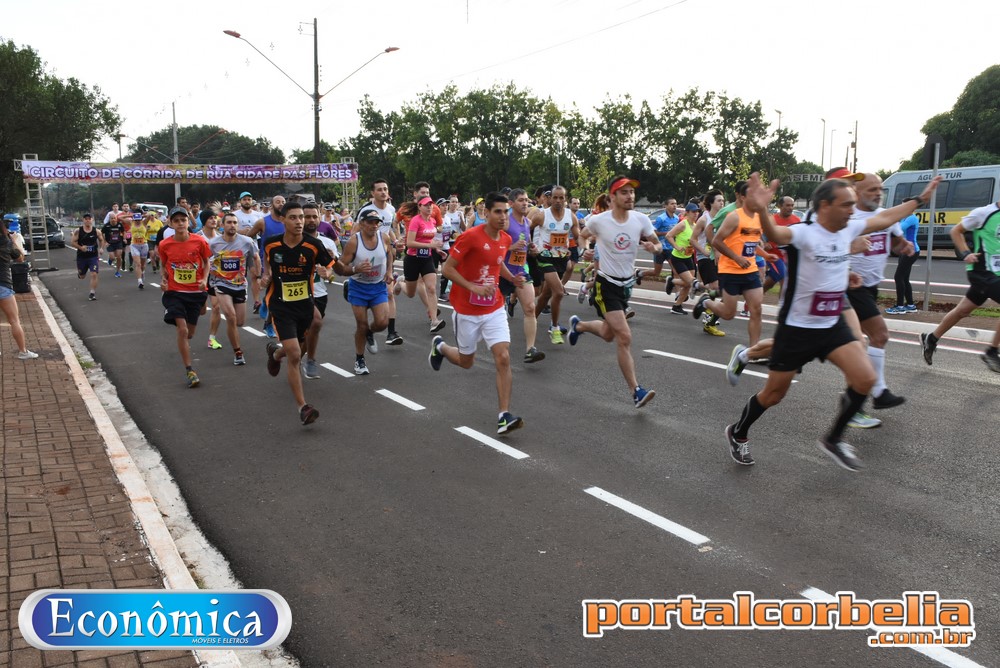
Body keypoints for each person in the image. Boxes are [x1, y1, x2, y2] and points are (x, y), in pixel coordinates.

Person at [723, 172, 940, 470]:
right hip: (798, 329)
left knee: (865, 379)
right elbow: (775, 235)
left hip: (831, 325)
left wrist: (920, 199)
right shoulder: (805, 233)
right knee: (773, 395)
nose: (853, 210)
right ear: (825, 205)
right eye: (846, 204)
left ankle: (833, 439)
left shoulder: (848, 229)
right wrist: (760, 209)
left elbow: (886, 218)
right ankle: (738, 432)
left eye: (853, 204)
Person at [429, 192, 524, 434]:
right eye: (498, 212)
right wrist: (473, 287)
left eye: (506, 212)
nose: (503, 217)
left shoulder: (504, 239)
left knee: (503, 356)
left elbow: (497, 261)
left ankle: (504, 415)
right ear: (487, 213)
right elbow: (447, 269)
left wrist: (511, 277)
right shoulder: (470, 237)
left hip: (494, 308)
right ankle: (439, 347)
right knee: (466, 362)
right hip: (466, 309)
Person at [568, 176, 661, 408]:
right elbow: (582, 235)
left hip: (626, 285)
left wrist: (654, 247)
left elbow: (658, 243)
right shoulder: (600, 221)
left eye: (632, 192)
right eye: (624, 193)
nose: (630, 196)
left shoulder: (640, 219)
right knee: (624, 336)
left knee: (609, 334)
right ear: (612, 197)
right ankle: (636, 391)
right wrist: (585, 251)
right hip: (605, 284)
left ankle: (578, 326)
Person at [261, 201, 335, 425]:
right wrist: (266, 276)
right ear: (283, 220)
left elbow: (330, 268)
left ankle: (275, 354)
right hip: (280, 305)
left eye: (301, 217)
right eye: (293, 217)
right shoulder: (271, 244)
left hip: (305, 305)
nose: (299, 222)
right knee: (294, 354)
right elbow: (267, 265)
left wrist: (327, 272)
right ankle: (303, 407)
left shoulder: (313, 245)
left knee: (296, 348)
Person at [844, 173, 913, 410]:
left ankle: (748, 355)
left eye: (880, 189)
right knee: (879, 335)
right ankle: (877, 392)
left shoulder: (885, 216)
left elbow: (895, 242)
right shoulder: (849, 216)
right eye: (872, 189)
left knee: (850, 344)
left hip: (870, 286)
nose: (877, 193)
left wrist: (903, 246)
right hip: (850, 285)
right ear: (857, 191)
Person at [920, 197, 1000, 373]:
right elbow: (956, 231)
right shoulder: (983, 213)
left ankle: (931, 339)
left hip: (997, 275)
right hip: (982, 272)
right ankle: (992, 351)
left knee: (962, 311)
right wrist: (965, 253)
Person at [692, 181, 768, 347]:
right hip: (731, 269)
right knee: (728, 313)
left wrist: (766, 254)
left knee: (757, 309)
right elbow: (714, 236)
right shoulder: (731, 215)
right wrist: (730, 256)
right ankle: (706, 301)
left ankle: (753, 350)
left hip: (751, 270)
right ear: (742, 197)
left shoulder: (757, 217)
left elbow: (751, 242)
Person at [157, 206, 213, 388]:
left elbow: (206, 263)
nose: (180, 223)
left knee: (189, 333)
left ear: (188, 222)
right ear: (170, 223)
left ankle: (201, 307)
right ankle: (190, 370)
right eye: (176, 221)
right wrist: (163, 279)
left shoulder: (199, 242)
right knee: (182, 330)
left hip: (196, 292)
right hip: (174, 292)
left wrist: (204, 279)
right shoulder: (165, 244)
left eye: (183, 220)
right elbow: (164, 266)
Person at [339, 209, 392, 375]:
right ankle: (359, 359)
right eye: (370, 222)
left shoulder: (384, 237)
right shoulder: (354, 242)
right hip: (358, 287)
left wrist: (389, 271)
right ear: (361, 223)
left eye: (377, 222)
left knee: (383, 322)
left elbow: (390, 253)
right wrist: (356, 268)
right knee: (361, 325)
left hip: (377, 287)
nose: (374, 225)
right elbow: (340, 268)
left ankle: (370, 332)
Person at [206, 211, 260, 365]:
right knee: (230, 316)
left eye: (235, 223)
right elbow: (205, 260)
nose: (232, 225)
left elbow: (255, 258)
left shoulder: (247, 242)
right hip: (221, 284)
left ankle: (232, 333)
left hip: (240, 285)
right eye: (229, 222)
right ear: (222, 225)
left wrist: (258, 273)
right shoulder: (213, 243)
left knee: (240, 322)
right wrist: (205, 275)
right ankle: (238, 352)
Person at [357, 178, 404, 345]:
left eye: (385, 189)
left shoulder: (391, 209)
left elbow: (389, 230)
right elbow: (355, 232)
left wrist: (396, 241)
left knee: (389, 293)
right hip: (366, 257)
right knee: (368, 294)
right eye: (379, 189)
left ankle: (391, 332)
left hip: (384, 256)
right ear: (373, 193)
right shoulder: (366, 210)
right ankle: (352, 287)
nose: (383, 192)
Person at [501, 188, 545, 363]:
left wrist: (532, 249)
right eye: (521, 200)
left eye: (526, 200)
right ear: (511, 203)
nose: (525, 203)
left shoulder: (527, 222)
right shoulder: (504, 222)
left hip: (520, 270)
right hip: (502, 272)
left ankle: (530, 349)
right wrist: (510, 247)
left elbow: (525, 245)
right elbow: (493, 244)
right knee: (490, 313)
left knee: (529, 308)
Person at [532, 185, 579, 344]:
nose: (558, 201)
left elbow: (579, 236)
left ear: (565, 199)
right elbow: (525, 229)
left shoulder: (571, 216)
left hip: (561, 259)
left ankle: (532, 320)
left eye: (561, 198)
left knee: (546, 294)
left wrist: (585, 246)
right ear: (550, 198)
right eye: (555, 197)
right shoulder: (542, 215)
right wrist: (530, 246)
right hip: (544, 258)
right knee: (558, 292)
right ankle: (554, 327)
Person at [299, 202, 340, 379]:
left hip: (319, 293)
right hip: (297, 294)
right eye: (306, 216)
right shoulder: (293, 240)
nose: (311, 220)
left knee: (310, 331)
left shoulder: (327, 242)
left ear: (319, 218)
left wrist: (327, 272)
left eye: (314, 216)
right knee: (313, 325)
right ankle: (310, 360)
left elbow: (332, 270)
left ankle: (288, 358)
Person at [403, 196, 446, 332]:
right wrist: (431, 245)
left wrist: (437, 249)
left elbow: (429, 241)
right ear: (420, 207)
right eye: (426, 205)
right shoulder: (416, 221)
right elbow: (409, 243)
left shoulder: (432, 221)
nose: (429, 207)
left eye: (431, 205)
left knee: (432, 289)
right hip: (412, 259)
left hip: (426, 258)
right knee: (410, 293)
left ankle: (434, 321)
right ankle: (399, 283)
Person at [0, 217, 38, 360]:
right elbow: (20, 258)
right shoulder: (7, 243)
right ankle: (23, 351)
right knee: (14, 320)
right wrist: (14, 239)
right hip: (3, 284)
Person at [663, 203, 708, 315]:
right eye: (693, 212)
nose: (696, 214)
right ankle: (671, 281)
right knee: (691, 282)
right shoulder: (683, 224)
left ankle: (676, 306)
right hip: (677, 258)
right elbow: (668, 235)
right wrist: (677, 247)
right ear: (687, 213)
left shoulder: (696, 225)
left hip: (689, 258)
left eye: (697, 212)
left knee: (688, 284)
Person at [636, 198, 678, 285]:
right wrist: (667, 233)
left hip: (670, 248)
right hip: (660, 248)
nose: (674, 206)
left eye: (675, 204)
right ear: (666, 206)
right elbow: (653, 233)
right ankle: (639, 274)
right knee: (656, 272)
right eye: (672, 204)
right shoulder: (661, 219)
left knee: (675, 270)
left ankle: (675, 289)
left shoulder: (676, 218)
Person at [887, 211, 920, 314]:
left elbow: (899, 229)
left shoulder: (911, 218)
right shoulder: (904, 217)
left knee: (898, 277)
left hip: (911, 251)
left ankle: (900, 306)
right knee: (904, 278)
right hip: (905, 251)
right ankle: (910, 305)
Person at [71, 213, 105, 301]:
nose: (87, 220)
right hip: (81, 257)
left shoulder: (96, 231)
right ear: (83, 220)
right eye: (86, 219)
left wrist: (101, 248)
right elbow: (73, 242)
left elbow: (101, 240)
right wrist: (81, 248)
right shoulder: (78, 231)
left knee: (94, 274)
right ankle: (80, 273)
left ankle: (92, 293)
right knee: (82, 276)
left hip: (93, 256)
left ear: (92, 220)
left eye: (89, 219)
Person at [129, 211, 150, 289]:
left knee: (143, 264)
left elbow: (149, 215)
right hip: (134, 245)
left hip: (144, 245)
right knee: (138, 264)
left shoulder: (144, 223)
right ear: (133, 220)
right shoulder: (131, 223)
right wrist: (130, 215)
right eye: (136, 220)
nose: (137, 221)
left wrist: (143, 215)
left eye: (139, 219)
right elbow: (120, 218)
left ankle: (142, 272)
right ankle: (139, 281)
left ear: (141, 219)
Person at [101, 212, 126, 277]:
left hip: (118, 242)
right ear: (109, 219)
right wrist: (105, 241)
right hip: (110, 243)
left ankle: (117, 272)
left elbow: (123, 232)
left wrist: (124, 239)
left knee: (118, 257)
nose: (113, 219)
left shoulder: (119, 225)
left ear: (116, 218)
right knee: (112, 257)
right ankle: (110, 259)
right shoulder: (106, 226)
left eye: (114, 218)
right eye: (112, 218)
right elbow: (102, 233)